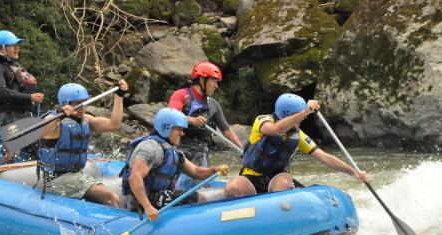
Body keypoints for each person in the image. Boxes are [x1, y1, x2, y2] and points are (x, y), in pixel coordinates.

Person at [224, 93, 368, 197]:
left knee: (282, 185)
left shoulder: (299, 136)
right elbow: (274, 130)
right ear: (287, 115)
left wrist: (353, 172)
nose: (302, 120)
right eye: (299, 116)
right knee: (232, 188)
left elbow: (325, 157)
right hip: (250, 176)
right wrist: (305, 111)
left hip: (277, 178)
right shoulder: (262, 121)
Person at [120, 107, 229, 221]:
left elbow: (196, 172)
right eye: (179, 129)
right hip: (142, 199)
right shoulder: (150, 147)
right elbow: (134, 177)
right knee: (198, 198)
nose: (182, 133)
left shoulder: (173, 150)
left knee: (191, 196)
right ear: (166, 128)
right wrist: (147, 206)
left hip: (156, 195)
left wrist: (215, 170)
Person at [38, 80, 129, 207]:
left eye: (84, 103)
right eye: (77, 104)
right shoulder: (55, 122)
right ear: (66, 104)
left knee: (113, 195)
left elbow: (114, 124)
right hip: (56, 179)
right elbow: (41, 131)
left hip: (77, 175)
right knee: (110, 197)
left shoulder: (87, 120)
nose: (82, 107)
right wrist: (61, 115)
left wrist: (119, 96)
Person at [167, 61, 243, 168]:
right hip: (177, 148)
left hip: (199, 152)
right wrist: (193, 120)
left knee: (201, 176)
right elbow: (170, 116)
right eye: (214, 82)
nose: (216, 86)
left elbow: (226, 131)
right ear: (202, 80)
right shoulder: (181, 95)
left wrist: (243, 150)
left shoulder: (213, 105)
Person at [0, 30, 45, 164]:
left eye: (17, 44)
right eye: (13, 45)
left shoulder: (14, 66)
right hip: (9, 116)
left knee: (37, 153)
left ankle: (39, 176)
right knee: (12, 153)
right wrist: (29, 97)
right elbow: (2, 92)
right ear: (0, 48)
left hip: (26, 116)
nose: (17, 47)